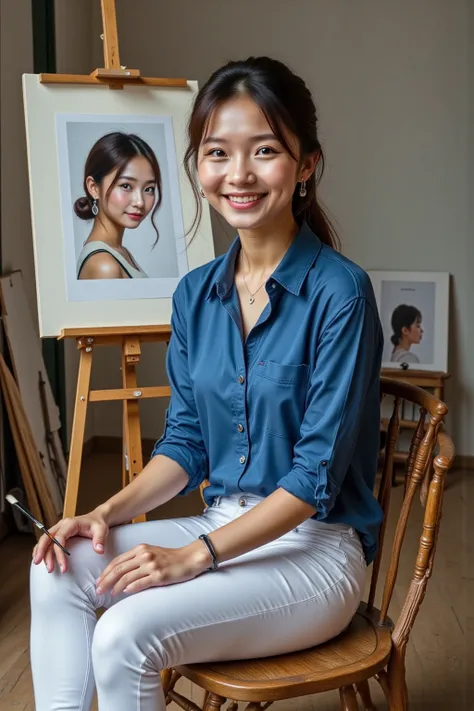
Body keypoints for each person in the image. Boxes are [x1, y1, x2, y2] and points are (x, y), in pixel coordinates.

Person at [30, 56, 384, 711]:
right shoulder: (196, 294)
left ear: (305, 164)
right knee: (56, 568)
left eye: (266, 150)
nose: (239, 174)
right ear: (198, 166)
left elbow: (314, 479)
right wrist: (101, 514)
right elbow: (187, 442)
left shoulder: (341, 293)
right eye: (218, 152)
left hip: (317, 552)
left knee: (124, 635)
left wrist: (194, 556)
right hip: (224, 523)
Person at [74, 131, 162, 279]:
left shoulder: (120, 252)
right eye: (126, 186)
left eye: (148, 189)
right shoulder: (104, 265)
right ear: (94, 188)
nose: (139, 202)